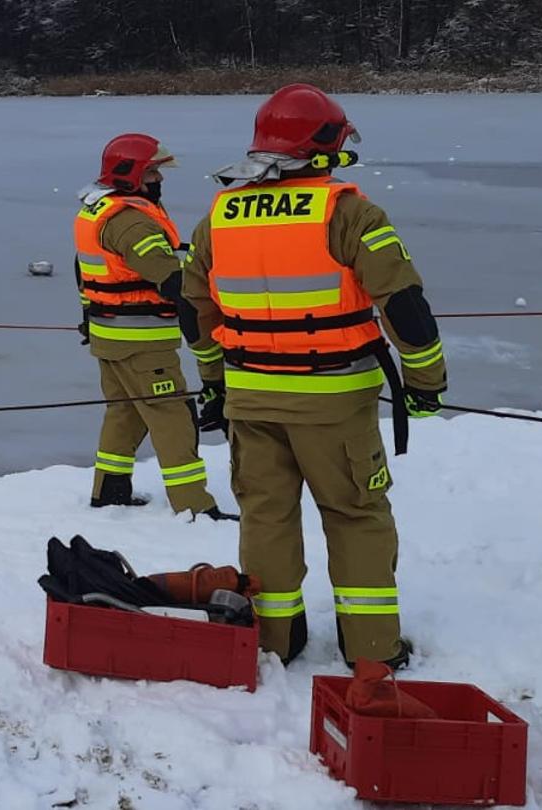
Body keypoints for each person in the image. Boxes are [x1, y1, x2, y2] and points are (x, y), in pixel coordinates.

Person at [181, 84, 448, 669]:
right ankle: (372, 649)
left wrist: (213, 379)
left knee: (265, 518)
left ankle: (277, 641)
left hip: (250, 398)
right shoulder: (349, 211)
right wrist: (425, 380)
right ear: (325, 146)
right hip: (335, 403)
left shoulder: (219, 216)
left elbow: (193, 308)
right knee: (356, 517)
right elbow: (403, 304)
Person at [74, 133, 234, 522]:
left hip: (108, 336)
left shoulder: (97, 210)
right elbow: (172, 282)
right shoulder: (132, 224)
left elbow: (84, 273)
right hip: (143, 344)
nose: (158, 181)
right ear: (131, 175)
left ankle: (109, 491)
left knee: (124, 414)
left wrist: (87, 319)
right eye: (152, 173)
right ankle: (193, 505)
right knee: (173, 417)